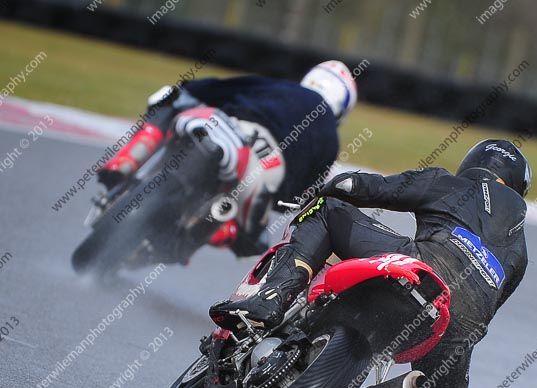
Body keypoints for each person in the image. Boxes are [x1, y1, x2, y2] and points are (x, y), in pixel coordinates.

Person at [210, 139, 531, 388]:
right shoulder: (521, 253)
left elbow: (361, 188)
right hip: (459, 325)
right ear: (517, 188)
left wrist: (323, 188)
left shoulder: (449, 183)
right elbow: (489, 312)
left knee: (327, 209)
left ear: (471, 164)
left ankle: (271, 300)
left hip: (425, 268)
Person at [97, 60, 358, 256]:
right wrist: (273, 203)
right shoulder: (331, 141)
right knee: (251, 239)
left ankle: (123, 163)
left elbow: (216, 88)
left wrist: (186, 89)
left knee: (172, 100)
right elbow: (300, 198)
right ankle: (203, 232)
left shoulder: (281, 86)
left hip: (225, 127)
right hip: (262, 173)